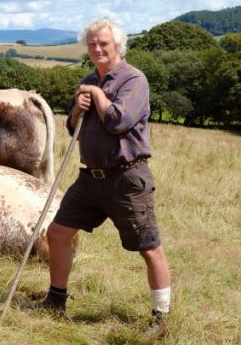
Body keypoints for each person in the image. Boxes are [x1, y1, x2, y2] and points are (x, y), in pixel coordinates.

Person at [37, 18, 171, 336]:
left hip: (127, 177)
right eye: (92, 43)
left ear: (118, 46)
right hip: (90, 179)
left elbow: (119, 121)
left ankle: (161, 318)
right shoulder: (87, 79)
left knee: (149, 246)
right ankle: (56, 300)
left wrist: (96, 95)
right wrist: (76, 110)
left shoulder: (133, 80)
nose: (97, 48)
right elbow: (73, 129)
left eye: (104, 43)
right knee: (57, 233)